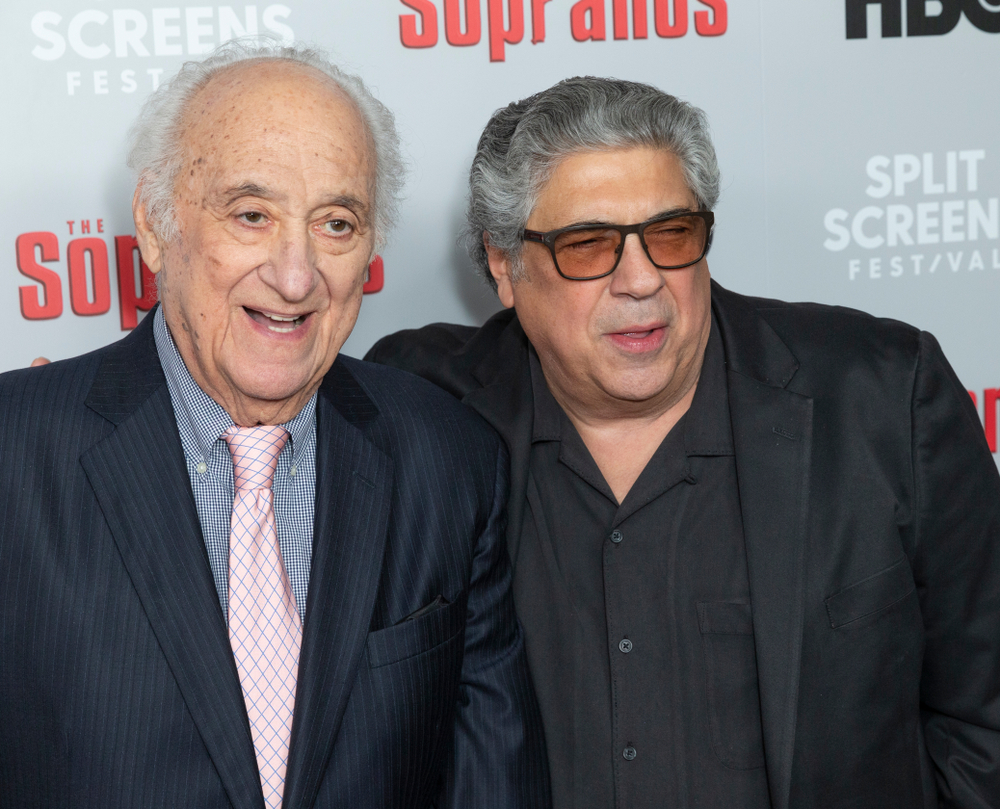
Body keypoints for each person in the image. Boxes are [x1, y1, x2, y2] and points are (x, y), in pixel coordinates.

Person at [367, 77, 1000, 807]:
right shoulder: (421, 411)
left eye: (671, 234)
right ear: (505, 266)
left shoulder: (882, 397)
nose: (642, 281)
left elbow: (985, 721)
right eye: (588, 245)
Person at [0, 42, 549, 809]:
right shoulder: (15, 454)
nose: (295, 276)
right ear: (155, 224)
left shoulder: (448, 459)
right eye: (251, 215)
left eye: (336, 223)